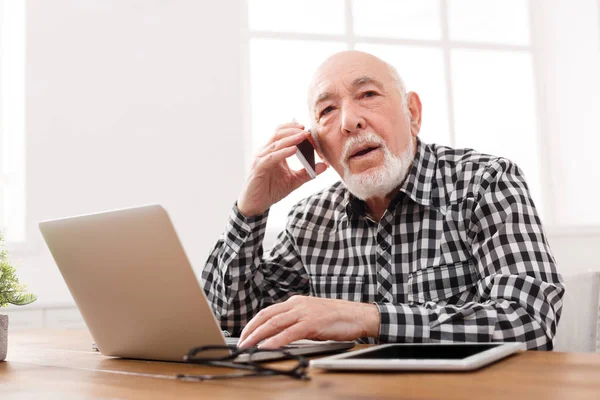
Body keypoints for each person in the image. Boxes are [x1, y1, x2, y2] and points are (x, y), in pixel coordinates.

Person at [201, 50, 564, 351]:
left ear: (413, 114)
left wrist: (365, 317)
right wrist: (250, 210)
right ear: (316, 146)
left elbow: (528, 319)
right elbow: (235, 323)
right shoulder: (308, 220)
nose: (349, 121)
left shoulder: (486, 181)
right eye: (327, 111)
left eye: (368, 95)